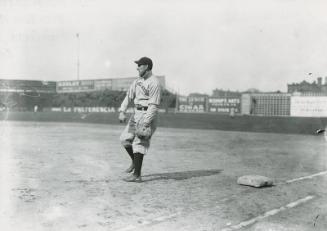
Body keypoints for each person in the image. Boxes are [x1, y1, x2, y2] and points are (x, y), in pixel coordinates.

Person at [118, 57, 161, 183]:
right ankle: (134, 162)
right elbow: (129, 96)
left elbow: (153, 105)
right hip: (136, 114)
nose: (137, 68)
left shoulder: (154, 82)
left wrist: (146, 122)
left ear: (146, 66)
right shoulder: (137, 81)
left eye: (139, 65)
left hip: (147, 114)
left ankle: (137, 175)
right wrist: (122, 111)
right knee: (125, 139)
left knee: (139, 143)